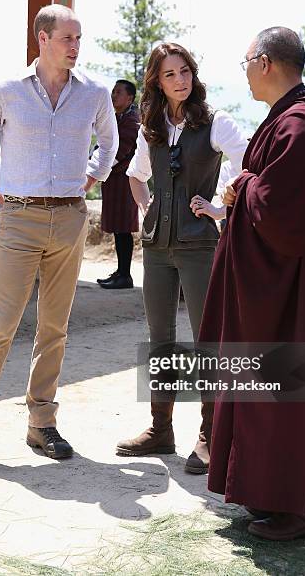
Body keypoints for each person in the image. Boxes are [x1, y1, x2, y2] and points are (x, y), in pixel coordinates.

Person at [199, 27, 305, 539]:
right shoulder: (289, 119)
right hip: (281, 280)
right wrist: (248, 187)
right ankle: (273, 496)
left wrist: (242, 186)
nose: (243, 71)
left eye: (246, 61)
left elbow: (281, 210)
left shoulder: (301, 125)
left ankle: (302, 509)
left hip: (293, 288)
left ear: (265, 62)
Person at [0, 4, 118, 476]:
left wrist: (90, 178)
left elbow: (110, 144)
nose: (75, 46)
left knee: (55, 328)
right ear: (42, 38)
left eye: (79, 38)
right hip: (19, 219)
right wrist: (1, 196)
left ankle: (41, 424)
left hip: (70, 219)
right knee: (1, 325)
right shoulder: (6, 90)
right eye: (67, 37)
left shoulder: (94, 93)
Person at [116, 42, 247, 474]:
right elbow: (136, 175)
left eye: (186, 70)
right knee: (161, 339)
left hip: (199, 247)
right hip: (156, 248)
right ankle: (160, 429)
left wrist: (219, 206)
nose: (181, 80)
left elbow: (247, 160)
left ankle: (210, 433)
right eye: (170, 74)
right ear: (157, 80)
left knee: (207, 340)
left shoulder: (214, 121)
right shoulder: (150, 126)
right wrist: (146, 205)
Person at [96, 80, 140, 289]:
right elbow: (104, 143)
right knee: (118, 228)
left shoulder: (132, 120)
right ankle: (121, 271)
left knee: (123, 228)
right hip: (113, 180)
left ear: (129, 98)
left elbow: (121, 148)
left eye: (118, 92)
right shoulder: (116, 117)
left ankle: (125, 275)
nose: (113, 96)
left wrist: (97, 168)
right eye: (112, 92)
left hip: (125, 181)